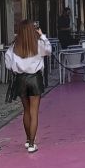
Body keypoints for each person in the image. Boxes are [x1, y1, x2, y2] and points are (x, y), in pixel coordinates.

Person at [5, 19, 51, 153]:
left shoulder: (13, 47)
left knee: (26, 110)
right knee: (34, 111)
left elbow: (8, 64)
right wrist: (42, 35)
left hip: (21, 79)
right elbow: (48, 50)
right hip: (35, 78)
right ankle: (32, 143)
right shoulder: (37, 44)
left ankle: (27, 139)